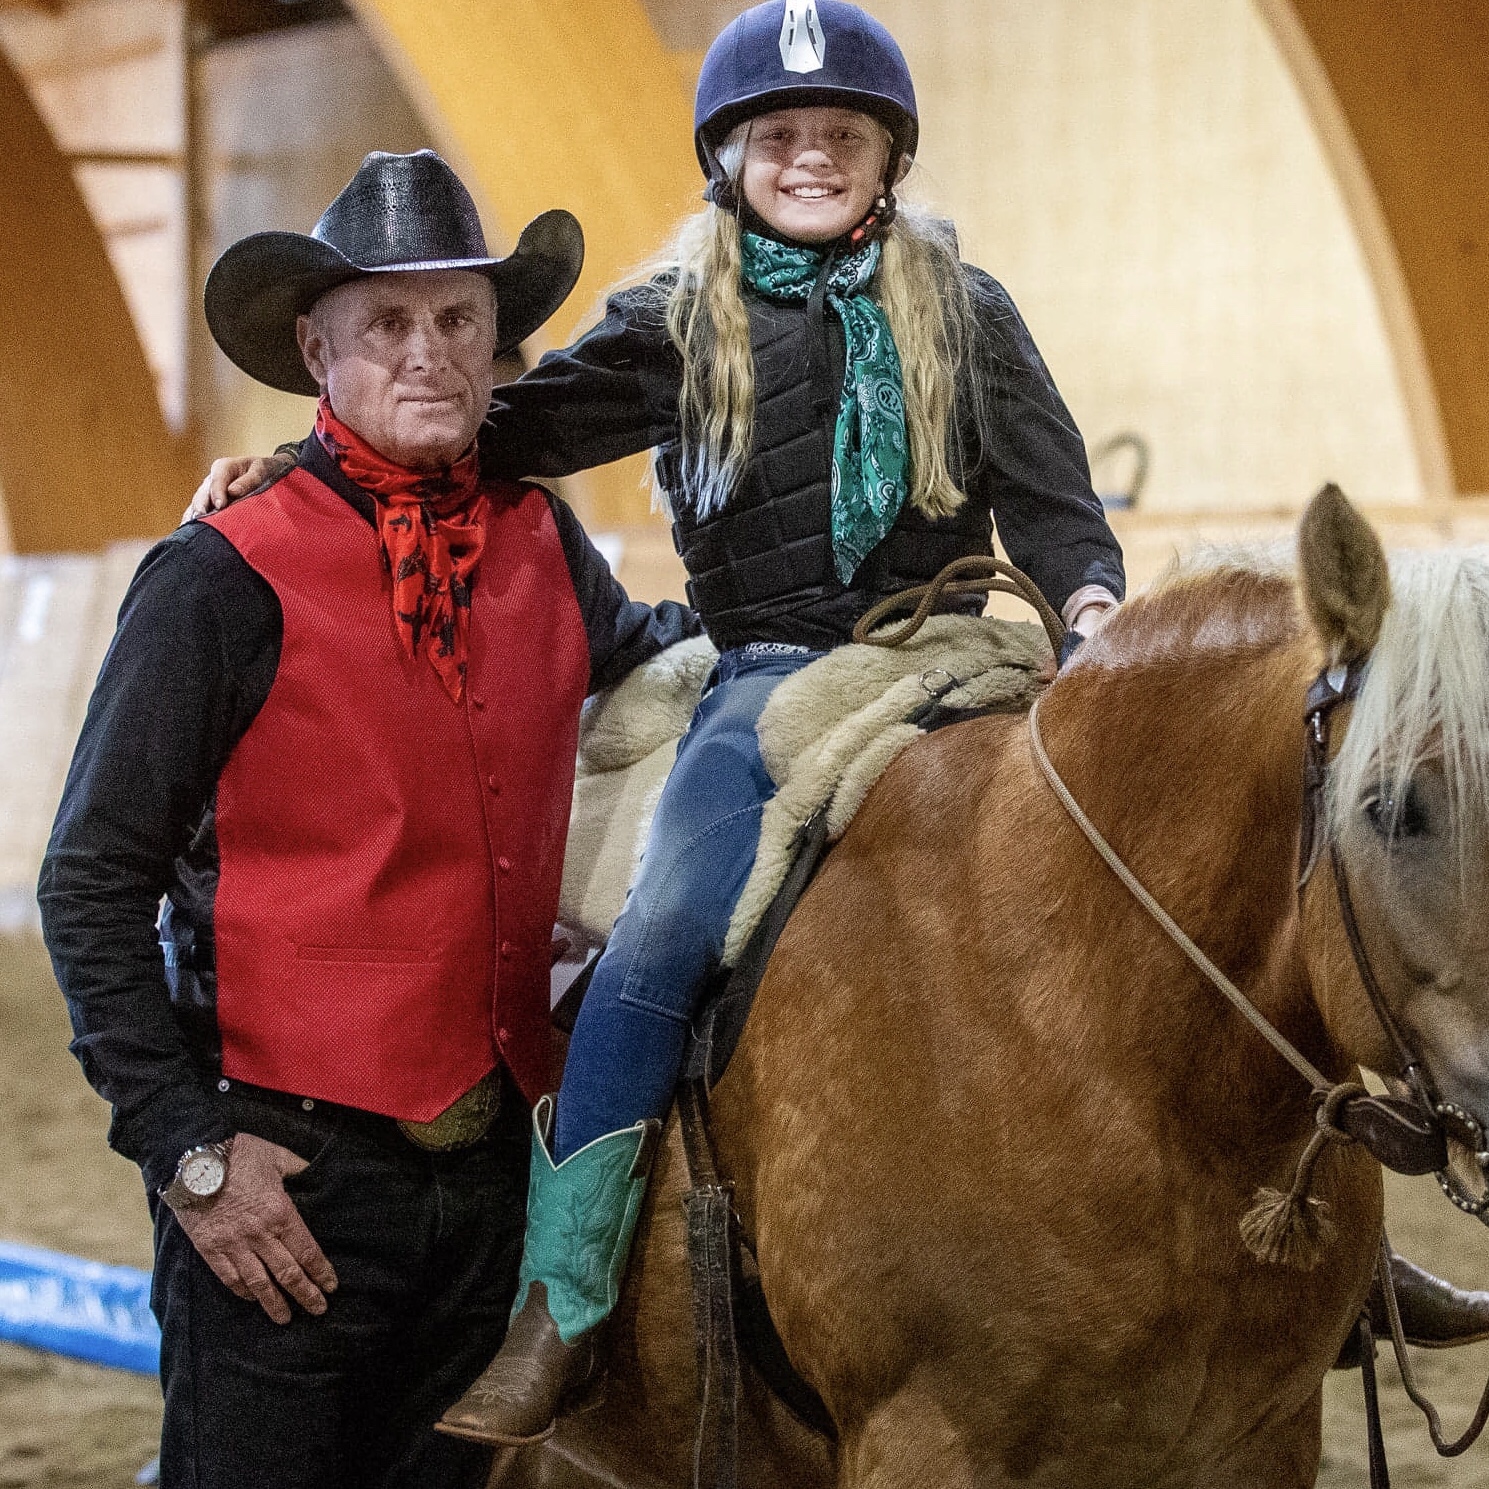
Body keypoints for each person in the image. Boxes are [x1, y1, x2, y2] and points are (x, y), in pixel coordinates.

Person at [190, 0, 1489, 1449]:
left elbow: (1055, 502)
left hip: (964, 652)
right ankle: (565, 1292)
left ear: (887, 156)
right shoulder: (676, 319)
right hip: (768, 678)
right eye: (781, 135)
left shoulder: (964, 309)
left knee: (1196, 898)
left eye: (842, 135)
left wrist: (1087, 612)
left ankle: (1344, 1262)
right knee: (659, 942)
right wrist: (306, 466)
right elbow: (499, 429)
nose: (811, 156)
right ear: (729, 158)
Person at [38, 148, 698, 1488]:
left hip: (490, 1188)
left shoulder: (544, 544)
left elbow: (671, 659)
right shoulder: (218, 576)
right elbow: (88, 883)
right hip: (282, 1182)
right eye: (386, 322)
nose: (428, 352)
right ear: (315, 349)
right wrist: (190, 1154)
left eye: (458, 319)